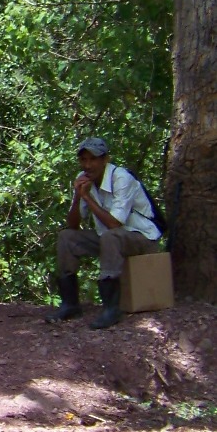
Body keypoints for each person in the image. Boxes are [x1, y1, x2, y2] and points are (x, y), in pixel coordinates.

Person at [45, 137, 162, 329]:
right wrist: (77, 196)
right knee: (66, 237)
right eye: (84, 160)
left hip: (142, 238)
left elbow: (114, 223)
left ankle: (111, 308)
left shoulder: (121, 178)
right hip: (111, 238)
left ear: (105, 159)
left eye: (93, 159)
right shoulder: (84, 180)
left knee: (110, 235)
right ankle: (70, 304)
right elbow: (73, 225)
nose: (88, 165)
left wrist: (87, 197)